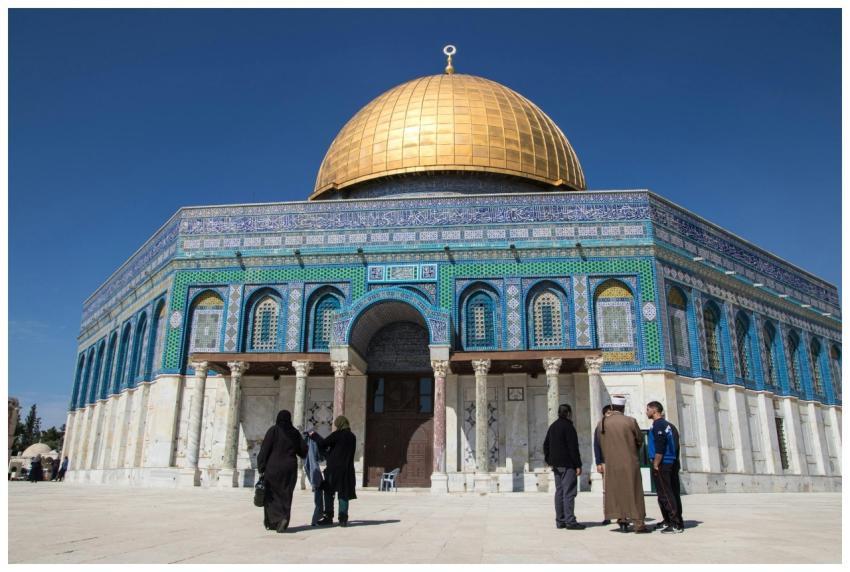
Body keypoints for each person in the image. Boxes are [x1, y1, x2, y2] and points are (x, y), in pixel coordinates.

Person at [598, 395, 649, 533]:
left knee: (617, 490)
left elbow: (600, 442)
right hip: (630, 461)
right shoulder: (630, 421)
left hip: (612, 462)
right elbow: (640, 439)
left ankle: (622, 520)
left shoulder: (603, 423)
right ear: (623, 407)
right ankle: (639, 523)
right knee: (634, 490)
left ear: (612, 407)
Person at [257, 410, 308, 533]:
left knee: (272, 494)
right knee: (286, 493)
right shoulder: (294, 433)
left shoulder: (273, 431)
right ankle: (283, 517)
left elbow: (264, 450)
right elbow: (303, 451)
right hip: (290, 468)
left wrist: (261, 467)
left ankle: (275, 520)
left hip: (273, 467)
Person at [309, 415, 357, 527]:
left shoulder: (338, 435)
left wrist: (313, 435)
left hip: (334, 470)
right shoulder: (352, 436)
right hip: (347, 469)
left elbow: (323, 443)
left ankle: (328, 516)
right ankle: (343, 519)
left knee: (329, 491)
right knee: (343, 493)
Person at [543, 403, 585, 530]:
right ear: (568, 413)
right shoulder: (568, 427)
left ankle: (560, 520)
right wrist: (578, 464)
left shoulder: (553, 427)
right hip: (568, 465)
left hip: (556, 465)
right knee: (569, 492)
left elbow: (546, 445)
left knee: (559, 492)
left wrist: (549, 460)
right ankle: (570, 521)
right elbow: (573, 448)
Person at [646, 401, 684, 534]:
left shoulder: (659, 425)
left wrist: (656, 462)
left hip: (663, 463)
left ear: (655, 410)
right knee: (665, 493)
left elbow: (660, 446)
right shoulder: (667, 425)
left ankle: (675, 523)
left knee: (666, 494)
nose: (646, 412)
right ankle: (668, 519)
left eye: (648, 409)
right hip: (669, 462)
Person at [593, 404, 614, 525]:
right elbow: (597, 445)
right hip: (605, 462)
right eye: (608, 413)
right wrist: (598, 462)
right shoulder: (600, 427)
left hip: (618, 461)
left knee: (620, 488)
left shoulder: (618, 425)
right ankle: (608, 515)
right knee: (606, 490)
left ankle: (622, 514)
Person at [302, 429, 326, 526]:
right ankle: (316, 518)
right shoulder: (311, 442)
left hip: (310, 468)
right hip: (314, 470)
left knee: (318, 492)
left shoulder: (306, 442)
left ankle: (318, 516)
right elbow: (320, 454)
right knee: (318, 492)